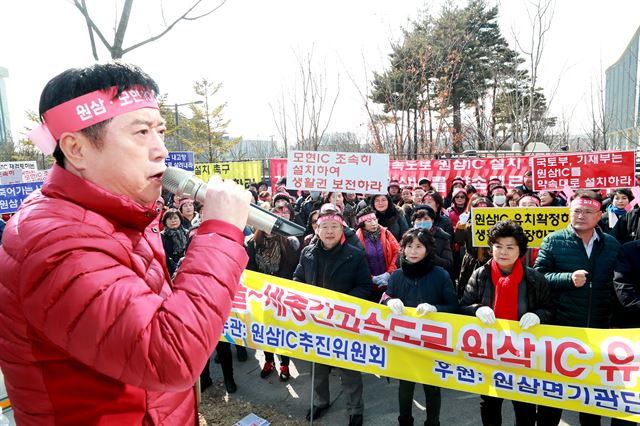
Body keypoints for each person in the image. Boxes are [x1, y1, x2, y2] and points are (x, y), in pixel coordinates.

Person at [0, 63, 252, 425]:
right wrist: (218, 235)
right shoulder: (51, 240)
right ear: (77, 149)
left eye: (161, 131)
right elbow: (169, 356)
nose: (161, 149)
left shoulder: (122, 215)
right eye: (141, 133)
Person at [534, 191, 621, 425]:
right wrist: (566, 278)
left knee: (592, 395)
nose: (581, 216)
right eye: (576, 211)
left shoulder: (611, 244)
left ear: (599, 215)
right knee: (553, 395)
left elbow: (618, 285)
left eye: (588, 212)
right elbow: (538, 276)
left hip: (598, 329)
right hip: (562, 328)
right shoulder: (554, 240)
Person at [461, 220, 553, 426]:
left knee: (525, 404)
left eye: (510, 247)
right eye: (498, 246)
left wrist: (538, 315)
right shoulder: (480, 275)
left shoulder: (534, 278)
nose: (503, 252)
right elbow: (463, 306)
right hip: (490, 351)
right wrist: (477, 310)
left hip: (524, 353)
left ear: (520, 250)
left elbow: (549, 309)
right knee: (490, 401)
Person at [293, 210, 372, 426]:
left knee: (349, 369)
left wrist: (340, 303)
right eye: (324, 227)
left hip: (344, 322)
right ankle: (320, 401)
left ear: (342, 230)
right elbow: (297, 278)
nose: (329, 231)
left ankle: (355, 409)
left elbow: (365, 287)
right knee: (317, 367)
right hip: (315, 322)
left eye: (334, 227)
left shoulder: (355, 255)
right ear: (317, 230)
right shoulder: (307, 253)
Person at [381, 228, 458, 426]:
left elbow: (454, 308)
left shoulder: (440, 275)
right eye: (409, 246)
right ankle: (404, 421)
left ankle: (433, 422)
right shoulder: (397, 276)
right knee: (405, 386)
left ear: (427, 250)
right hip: (404, 343)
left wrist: (436, 308)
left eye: (418, 246)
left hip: (432, 343)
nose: (413, 251)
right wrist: (389, 301)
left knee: (432, 388)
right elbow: (384, 300)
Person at [246, 207, 300, 381]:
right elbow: (249, 268)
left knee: (283, 331)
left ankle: (285, 363)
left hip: (282, 296)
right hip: (260, 295)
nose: (269, 229)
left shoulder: (289, 243)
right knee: (265, 331)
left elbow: (292, 268)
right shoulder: (251, 243)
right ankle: (269, 361)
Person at [355, 207, 401, 302]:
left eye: (375, 219)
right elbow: (356, 264)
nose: (373, 223)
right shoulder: (356, 239)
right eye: (369, 221)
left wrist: (389, 273)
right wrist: (371, 278)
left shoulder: (387, 234)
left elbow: (398, 253)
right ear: (362, 225)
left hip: (389, 283)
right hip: (368, 286)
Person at [455, 196, 493, 297]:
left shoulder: (495, 226)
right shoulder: (468, 225)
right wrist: (461, 225)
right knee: (467, 287)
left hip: (490, 260)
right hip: (471, 261)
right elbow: (459, 240)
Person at [412, 206, 454, 276]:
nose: (422, 222)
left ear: (432, 220)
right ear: (414, 222)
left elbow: (448, 264)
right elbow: (400, 261)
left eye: (426, 219)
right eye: (419, 219)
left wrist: (430, 255)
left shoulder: (442, 238)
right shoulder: (408, 238)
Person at [161, 208, 190, 276]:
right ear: (165, 221)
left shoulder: (187, 233)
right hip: (169, 269)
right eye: (170, 219)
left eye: (175, 218)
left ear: (180, 219)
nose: (173, 221)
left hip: (187, 266)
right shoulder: (161, 236)